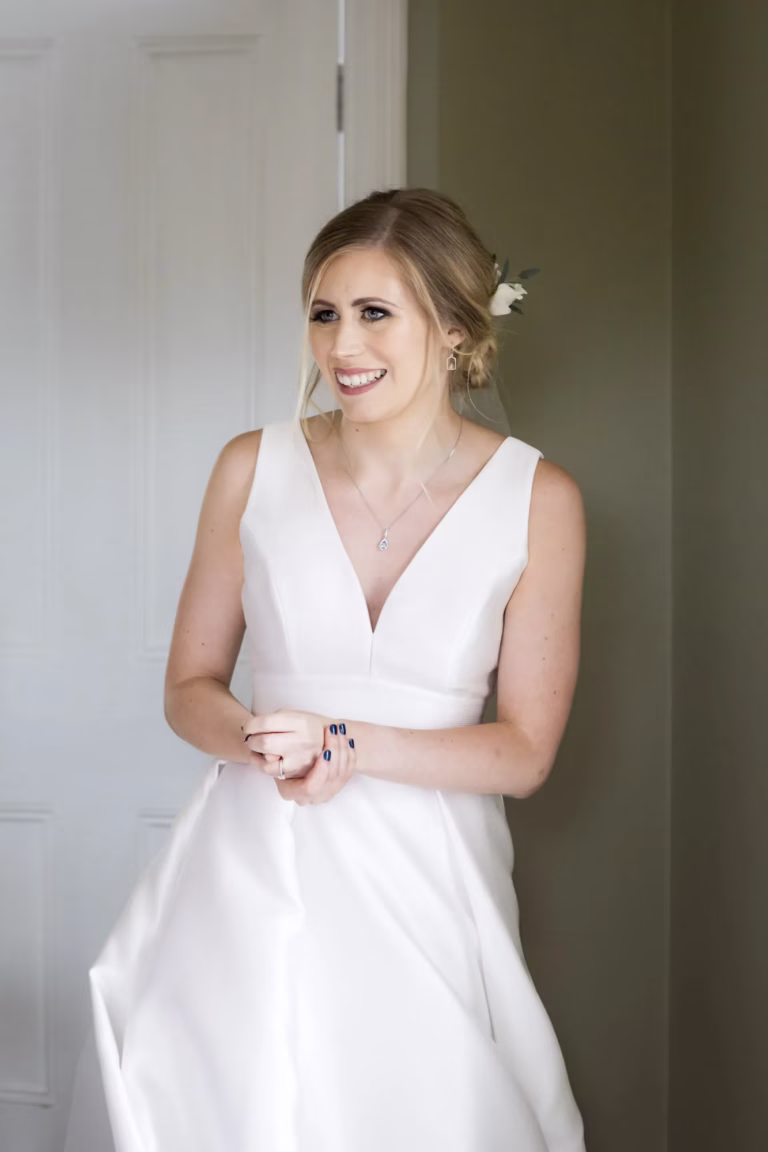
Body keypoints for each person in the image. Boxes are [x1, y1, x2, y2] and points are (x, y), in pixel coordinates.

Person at [83, 187, 587, 1151]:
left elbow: (524, 753)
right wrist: (268, 744)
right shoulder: (251, 467)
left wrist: (346, 741)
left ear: (452, 328)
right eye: (324, 313)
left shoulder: (539, 498)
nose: (343, 348)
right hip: (255, 858)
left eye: (374, 314)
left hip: (432, 876)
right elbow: (189, 687)